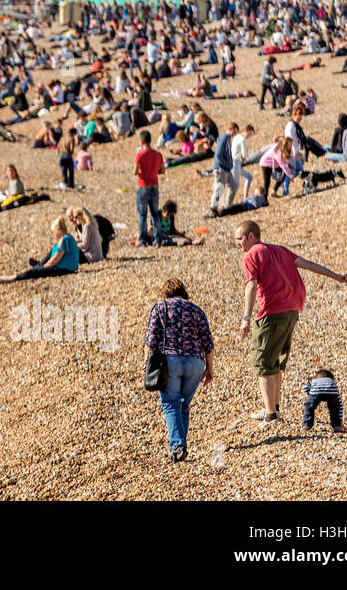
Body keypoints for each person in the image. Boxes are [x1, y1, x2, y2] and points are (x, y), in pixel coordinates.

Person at [234, 220, 347, 422]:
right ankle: (273, 407)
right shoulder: (280, 250)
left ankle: (271, 415)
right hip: (292, 309)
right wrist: (336, 276)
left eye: (239, 238)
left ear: (251, 236)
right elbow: (308, 265)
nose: (237, 243)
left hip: (272, 312)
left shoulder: (250, 255)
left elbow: (251, 287)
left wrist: (246, 317)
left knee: (263, 363)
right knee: (277, 362)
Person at [144, 277, 214, 463]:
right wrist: (209, 369)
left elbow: (151, 341)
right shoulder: (196, 310)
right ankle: (180, 445)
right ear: (183, 292)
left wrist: (147, 366)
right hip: (195, 363)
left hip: (170, 361)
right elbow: (208, 343)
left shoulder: (160, 307)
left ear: (166, 293)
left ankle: (177, 447)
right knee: (182, 404)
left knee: (170, 404)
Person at [0, 216, 80, 283]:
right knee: (39, 265)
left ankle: (10, 278)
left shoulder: (64, 239)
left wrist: (40, 268)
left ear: (58, 230)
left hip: (64, 269)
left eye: (54, 231)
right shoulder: (68, 237)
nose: (53, 234)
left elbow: (54, 261)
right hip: (66, 268)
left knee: (34, 272)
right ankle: (33, 268)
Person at [134, 130, 166, 246]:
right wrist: (153, 171)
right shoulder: (158, 154)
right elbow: (162, 170)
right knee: (155, 213)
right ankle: (158, 240)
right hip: (154, 185)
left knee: (143, 215)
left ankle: (143, 240)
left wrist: (144, 172)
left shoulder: (140, 155)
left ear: (141, 141)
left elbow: (135, 171)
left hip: (143, 186)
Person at [210, 122, 240, 214]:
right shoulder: (223, 138)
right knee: (219, 188)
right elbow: (218, 155)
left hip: (226, 169)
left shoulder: (227, 138)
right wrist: (225, 165)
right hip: (221, 168)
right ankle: (213, 209)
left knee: (234, 185)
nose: (235, 134)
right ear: (231, 129)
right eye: (235, 131)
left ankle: (228, 205)